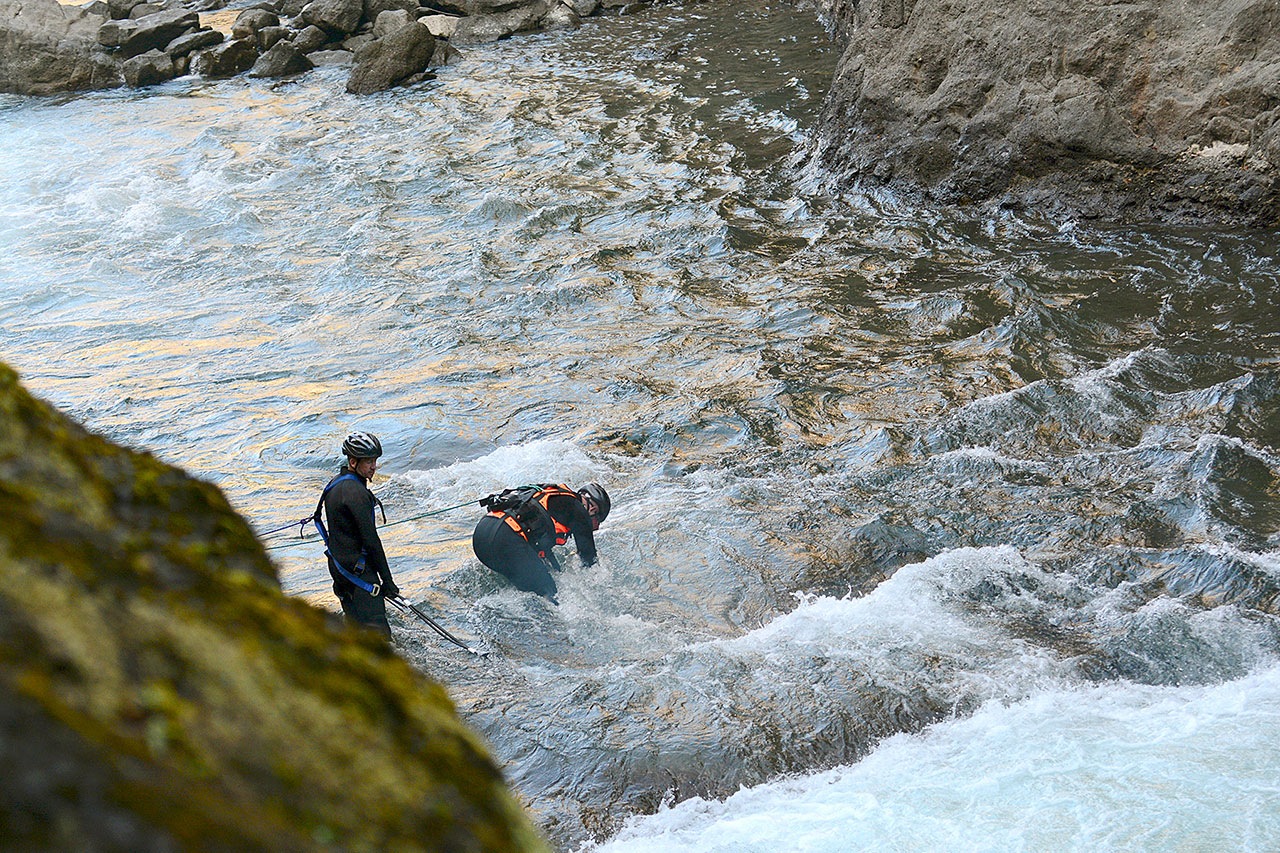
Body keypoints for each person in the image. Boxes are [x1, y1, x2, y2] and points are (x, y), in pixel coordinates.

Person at [313, 431, 401, 637]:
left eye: (375, 461)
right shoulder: (356, 493)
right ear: (353, 462)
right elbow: (371, 542)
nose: (374, 467)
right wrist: (387, 582)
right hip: (359, 573)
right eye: (369, 461)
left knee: (355, 631)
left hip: (339, 569)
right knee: (379, 635)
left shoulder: (337, 483)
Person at [471, 483, 611, 604]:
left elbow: (541, 548)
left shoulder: (553, 495)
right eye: (598, 521)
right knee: (550, 596)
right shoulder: (580, 512)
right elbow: (589, 560)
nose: (597, 527)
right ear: (593, 510)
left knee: (534, 585)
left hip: (481, 535)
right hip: (507, 539)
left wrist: (557, 571)